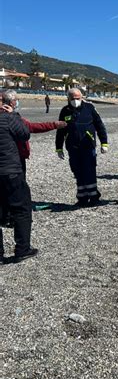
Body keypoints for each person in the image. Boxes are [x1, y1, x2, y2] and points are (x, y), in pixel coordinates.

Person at [56, 88, 109, 206]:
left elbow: (99, 125)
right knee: (77, 172)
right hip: (73, 147)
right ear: (68, 99)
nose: (75, 101)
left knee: (89, 171)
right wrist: (58, 148)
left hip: (88, 146)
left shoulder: (90, 108)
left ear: (82, 97)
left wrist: (104, 143)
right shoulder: (65, 111)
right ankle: (82, 197)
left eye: (78, 98)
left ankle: (94, 197)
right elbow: (60, 131)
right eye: (73, 98)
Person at [0, 105, 37, 264]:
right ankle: (22, 249)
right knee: (21, 208)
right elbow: (24, 134)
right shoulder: (7, 118)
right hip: (10, 171)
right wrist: (14, 115)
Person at [1, 90, 67, 173]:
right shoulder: (11, 118)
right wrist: (54, 125)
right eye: (17, 100)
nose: (18, 102)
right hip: (13, 158)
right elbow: (30, 128)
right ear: (11, 102)